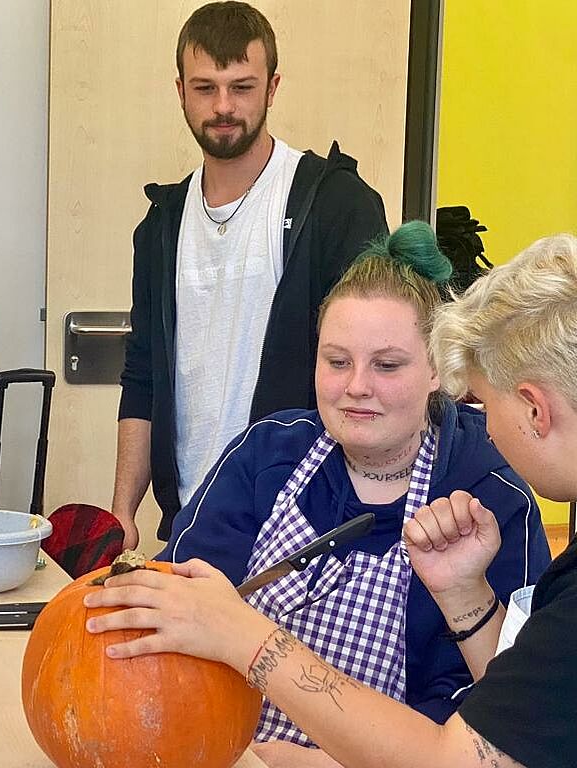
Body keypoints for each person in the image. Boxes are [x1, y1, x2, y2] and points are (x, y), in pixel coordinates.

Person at [87, 232, 577, 768]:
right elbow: (178, 605)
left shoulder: (486, 499)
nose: (356, 387)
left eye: (387, 366)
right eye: (336, 361)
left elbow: (481, 737)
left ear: (438, 371)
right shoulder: (268, 455)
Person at [113, 1, 389, 550]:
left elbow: (372, 371)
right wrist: (123, 509)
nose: (222, 107)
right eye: (204, 87)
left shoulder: (335, 203)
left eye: (241, 87)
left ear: (272, 87)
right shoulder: (161, 227)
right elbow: (141, 376)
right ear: (180, 91)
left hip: (308, 526)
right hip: (189, 524)